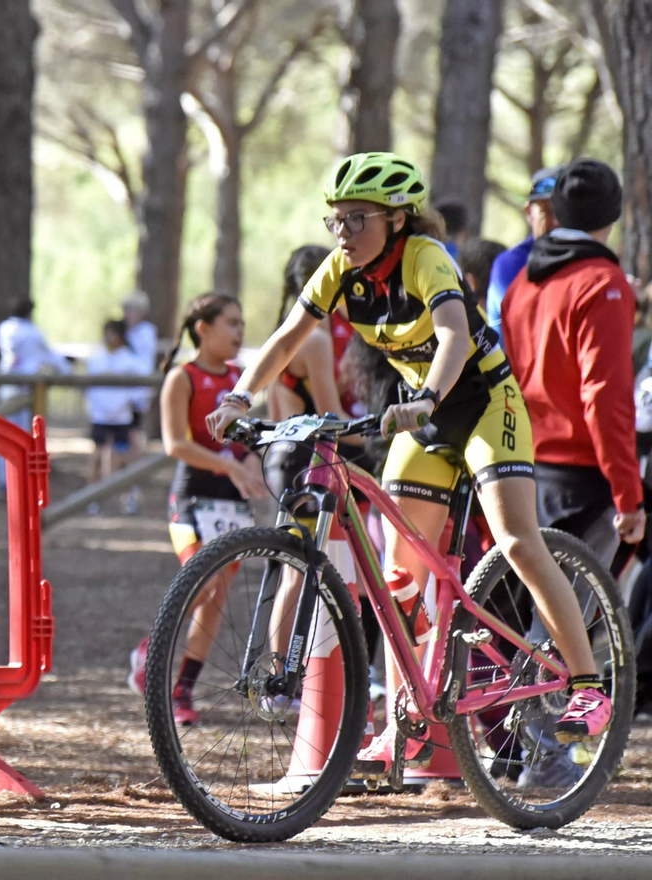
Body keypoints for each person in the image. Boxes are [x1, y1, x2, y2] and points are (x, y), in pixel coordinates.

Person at [207, 152, 617, 773]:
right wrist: (240, 395)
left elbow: (453, 334)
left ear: (397, 219)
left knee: (515, 539)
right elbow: (288, 335)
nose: (343, 232)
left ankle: (587, 685)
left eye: (358, 218)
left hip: (481, 402)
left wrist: (427, 396)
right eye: (335, 219)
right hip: (421, 415)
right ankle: (413, 714)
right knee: (397, 577)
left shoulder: (425, 257)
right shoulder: (340, 269)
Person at [127, 293, 267, 725]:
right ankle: (151, 651)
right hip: (191, 500)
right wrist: (227, 464)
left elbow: (251, 439)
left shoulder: (241, 380)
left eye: (242, 323)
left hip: (232, 503)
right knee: (202, 583)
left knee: (216, 597)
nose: (239, 332)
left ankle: (183, 689)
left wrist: (250, 464)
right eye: (231, 323)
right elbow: (176, 444)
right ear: (203, 329)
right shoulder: (182, 377)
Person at [501, 159, 645, 565]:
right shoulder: (604, 283)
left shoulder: (521, 283)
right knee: (568, 607)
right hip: (583, 481)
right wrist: (628, 495)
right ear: (613, 215)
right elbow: (605, 396)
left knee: (536, 601)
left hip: (524, 470)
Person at [267, 245, 360, 422]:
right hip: (315, 437)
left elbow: (275, 416)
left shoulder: (286, 335)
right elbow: (330, 418)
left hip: (309, 433)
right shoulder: (315, 339)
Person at [0, 297, 70, 486]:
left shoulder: (4, 329)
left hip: (7, 387)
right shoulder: (33, 333)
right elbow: (49, 356)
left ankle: (4, 480)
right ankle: (20, 479)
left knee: (3, 435)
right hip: (26, 390)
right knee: (23, 437)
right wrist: (67, 368)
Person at [486, 166, 561, 341]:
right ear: (528, 212)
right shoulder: (512, 264)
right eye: (547, 211)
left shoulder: (591, 261)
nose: (556, 222)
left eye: (563, 212)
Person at [85, 320, 149, 515]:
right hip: (100, 417)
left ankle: (128, 498)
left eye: (113, 333)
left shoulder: (130, 360)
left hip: (121, 418)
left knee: (124, 457)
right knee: (97, 457)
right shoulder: (97, 359)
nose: (109, 337)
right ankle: (92, 499)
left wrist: (133, 402)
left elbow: (142, 388)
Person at [123, 291, 159, 371]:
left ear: (141, 312)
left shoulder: (147, 331)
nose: (127, 314)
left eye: (132, 310)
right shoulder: (122, 329)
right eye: (126, 310)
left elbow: (145, 361)